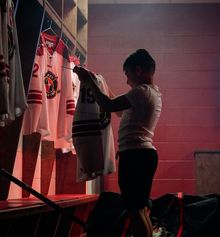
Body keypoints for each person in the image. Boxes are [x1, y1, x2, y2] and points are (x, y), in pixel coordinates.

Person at [73, 49, 162, 237]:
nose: (127, 81)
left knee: (135, 210)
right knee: (139, 208)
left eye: (128, 75)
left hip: (136, 155)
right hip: (142, 155)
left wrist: (89, 82)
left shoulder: (142, 91)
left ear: (138, 71)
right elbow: (118, 110)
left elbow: (108, 105)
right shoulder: (152, 93)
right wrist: (101, 86)